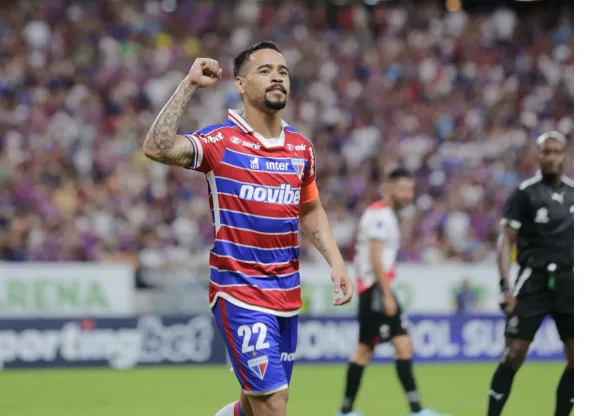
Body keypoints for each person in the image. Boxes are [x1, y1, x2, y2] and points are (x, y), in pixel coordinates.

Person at [142, 41, 356, 416]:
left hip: (286, 294)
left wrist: (336, 261)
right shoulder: (220, 142)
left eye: (283, 71)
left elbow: (310, 209)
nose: (277, 77)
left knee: (256, 402)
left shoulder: (301, 149)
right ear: (240, 84)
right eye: (265, 70)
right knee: (274, 404)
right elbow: (157, 147)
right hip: (238, 289)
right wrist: (189, 84)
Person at [336, 168, 449, 416]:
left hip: (374, 289)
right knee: (388, 347)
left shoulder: (384, 215)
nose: (409, 195)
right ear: (390, 189)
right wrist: (387, 294)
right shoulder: (381, 216)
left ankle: (347, 410)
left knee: (381, 347)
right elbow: (375, 256)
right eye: (404, 189)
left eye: (411, 190)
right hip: (376, 289)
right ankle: (415, 410)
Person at [487, 131, 574, 416]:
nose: (551, 157)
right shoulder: (524, 193)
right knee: (514, 355)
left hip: (568, 283)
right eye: (546, 151)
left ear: (565, 156)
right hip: (532, 281)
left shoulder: (578, 194)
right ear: (537, 156)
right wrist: (504, 286)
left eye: (557, 151)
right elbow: (505, 241)